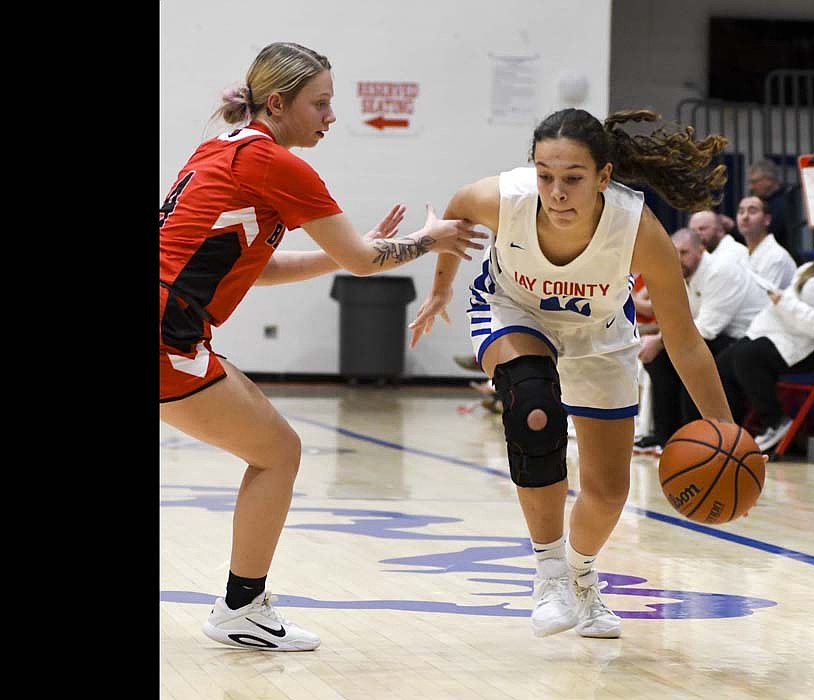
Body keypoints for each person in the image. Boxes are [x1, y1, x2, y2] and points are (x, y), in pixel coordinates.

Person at [159, 42, 486, 652]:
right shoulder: (275, 163)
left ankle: (242, 606)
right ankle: (241, 609)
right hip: (165, 334)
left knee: (276, 449)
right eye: (321, 103)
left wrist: (346, 251)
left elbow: (255, 268)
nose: (332, 116)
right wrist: (429, 239)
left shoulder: (221, 149)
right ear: (278, 103)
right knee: (278, 453)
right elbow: (362, 261)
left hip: (173, 328)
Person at [408, 108, 737, 639]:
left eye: (573, 179)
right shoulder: (502, 199)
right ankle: (549, 575)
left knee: (608, 492)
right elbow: (457, 211)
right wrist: (442, 286)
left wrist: (725, 430)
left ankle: (582, 577)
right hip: (513, 311)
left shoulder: (639, 229)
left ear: (604, 176)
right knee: (532, 409)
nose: (556, 193)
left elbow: (683, 340)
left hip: (598, 333)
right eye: (545, 176)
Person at [633, 228, 768, 454]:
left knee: (690, 360)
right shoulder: (682, 275)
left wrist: (658, 341)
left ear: (702, 249)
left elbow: (706, 328)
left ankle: (701, 438)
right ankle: (666, 435)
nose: (679, 259)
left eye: (685, 252)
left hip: (746, 339)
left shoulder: (720, 271)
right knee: (658, 360)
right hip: (718, 336)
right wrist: (656, 339)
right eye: (675, 253)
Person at [716, 225, 814, 451]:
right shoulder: (811, 267)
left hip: (813, 347)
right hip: (783, 334)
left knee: (747, 356)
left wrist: (783, 301)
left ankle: (775, 421)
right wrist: (781, 300)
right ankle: (728, 432)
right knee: (724, 362)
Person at [736, 195, 797, 292]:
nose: (745, 216)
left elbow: (766, 299)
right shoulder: (740, 255)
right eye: (741, 212)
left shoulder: (776, 256)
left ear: (767, 220)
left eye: (752, 211)